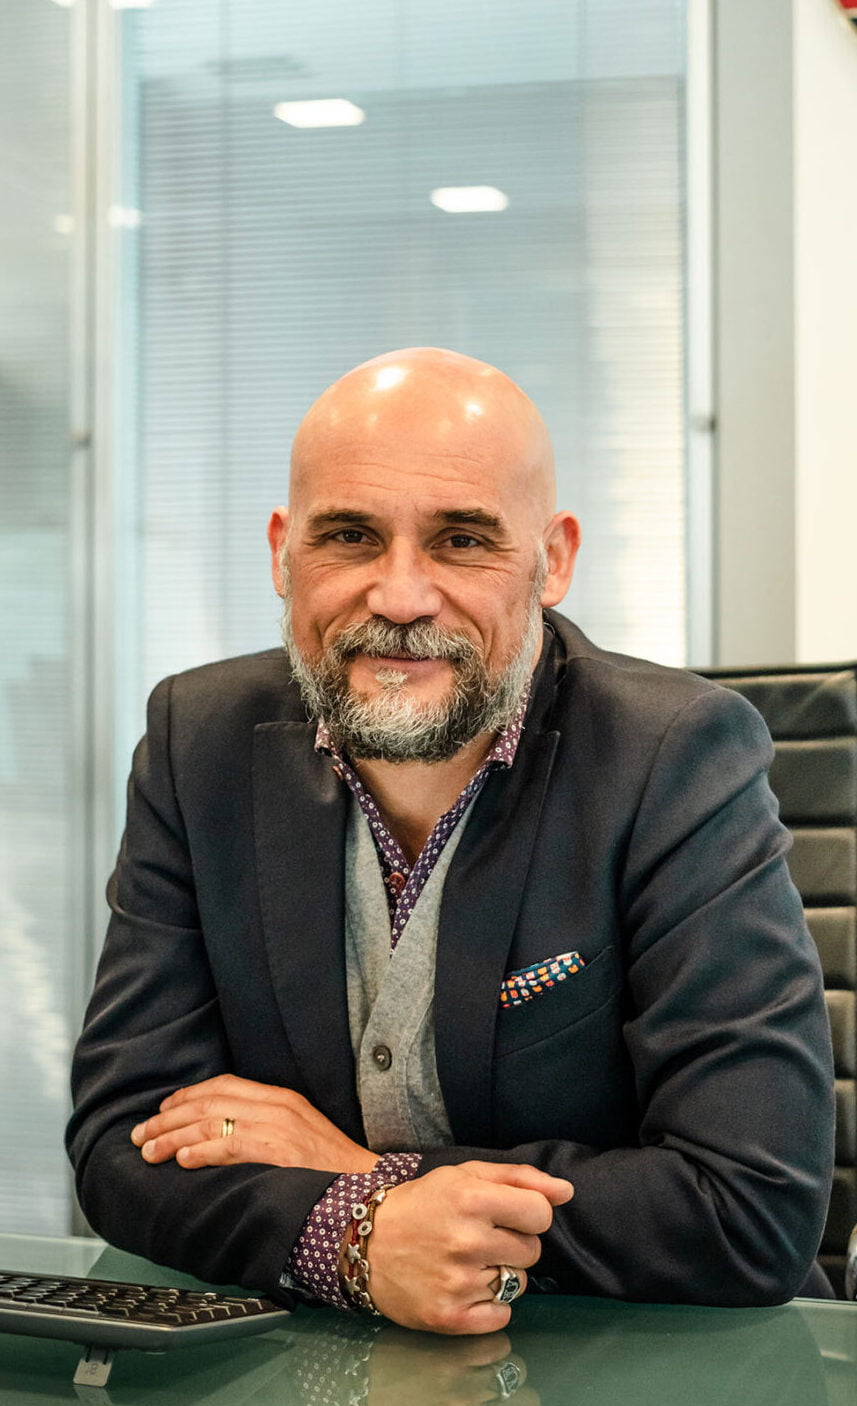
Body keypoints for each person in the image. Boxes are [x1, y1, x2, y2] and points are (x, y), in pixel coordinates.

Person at [68, 347, 835, 1332]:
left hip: (640, 1373)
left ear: (553, 559)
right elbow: (122, 1140)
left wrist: (362, 1183)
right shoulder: (197, 739)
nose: (399, 597)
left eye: (461, 540)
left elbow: (749, 1208)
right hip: (310, 1371)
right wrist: (359, 1244)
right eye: (349, 535)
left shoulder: (675, 758)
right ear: (282, 553)